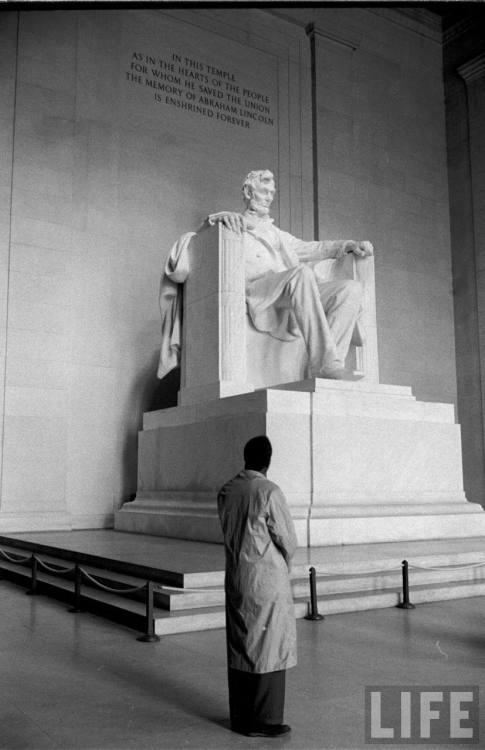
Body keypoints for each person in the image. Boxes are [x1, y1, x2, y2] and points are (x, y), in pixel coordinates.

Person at [208, 169, 374, 379]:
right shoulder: (233, 223)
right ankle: (325, 364)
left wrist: (347, 245)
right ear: (248, 192)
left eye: (271, 193)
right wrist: (222, 219)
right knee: (301, 274)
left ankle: (329, 366)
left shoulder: (278, 234)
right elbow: (207, 232)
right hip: (259, 290)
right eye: (263, 191)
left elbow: (315, 248)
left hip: (290, 289)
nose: (269, 197)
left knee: (350, 289)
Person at [217, 435, 298, 738]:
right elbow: (287, 540)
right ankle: (265, 720)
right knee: (269, 647)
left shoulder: (227, 490)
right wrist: (285, 565)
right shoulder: (269, 491)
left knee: (241, 645)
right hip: (265, 579)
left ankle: (241, 716)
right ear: (268, 460)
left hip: (238, 576)